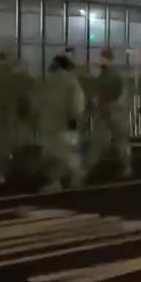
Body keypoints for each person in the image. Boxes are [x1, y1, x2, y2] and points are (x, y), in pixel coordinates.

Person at [37, 55, 86, 193]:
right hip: (60, 124)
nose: (51, 65)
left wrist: (73, 117)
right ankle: (74, 177)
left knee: (58, 155)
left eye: (54, 63)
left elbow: (76, 102)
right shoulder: (63, 80)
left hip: (59, 124)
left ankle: (57, 181)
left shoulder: (63, 81)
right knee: (64, 154)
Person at [0, 50, 34, 183]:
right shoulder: (14, 76)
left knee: (5, 145)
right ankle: (17, 173)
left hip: (4, 114)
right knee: (15, 143)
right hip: (12, 115)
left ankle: (2, 174)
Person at [85, 48, 132, 178]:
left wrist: (98, 105)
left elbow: (99, 92)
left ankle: (86, 171)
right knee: (121, 141)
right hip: (116, 111)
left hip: (107, 111)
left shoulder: (106, 75)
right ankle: (127, 167)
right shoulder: (115, 74)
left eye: (102, 58)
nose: (100, 60)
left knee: (98, 141)